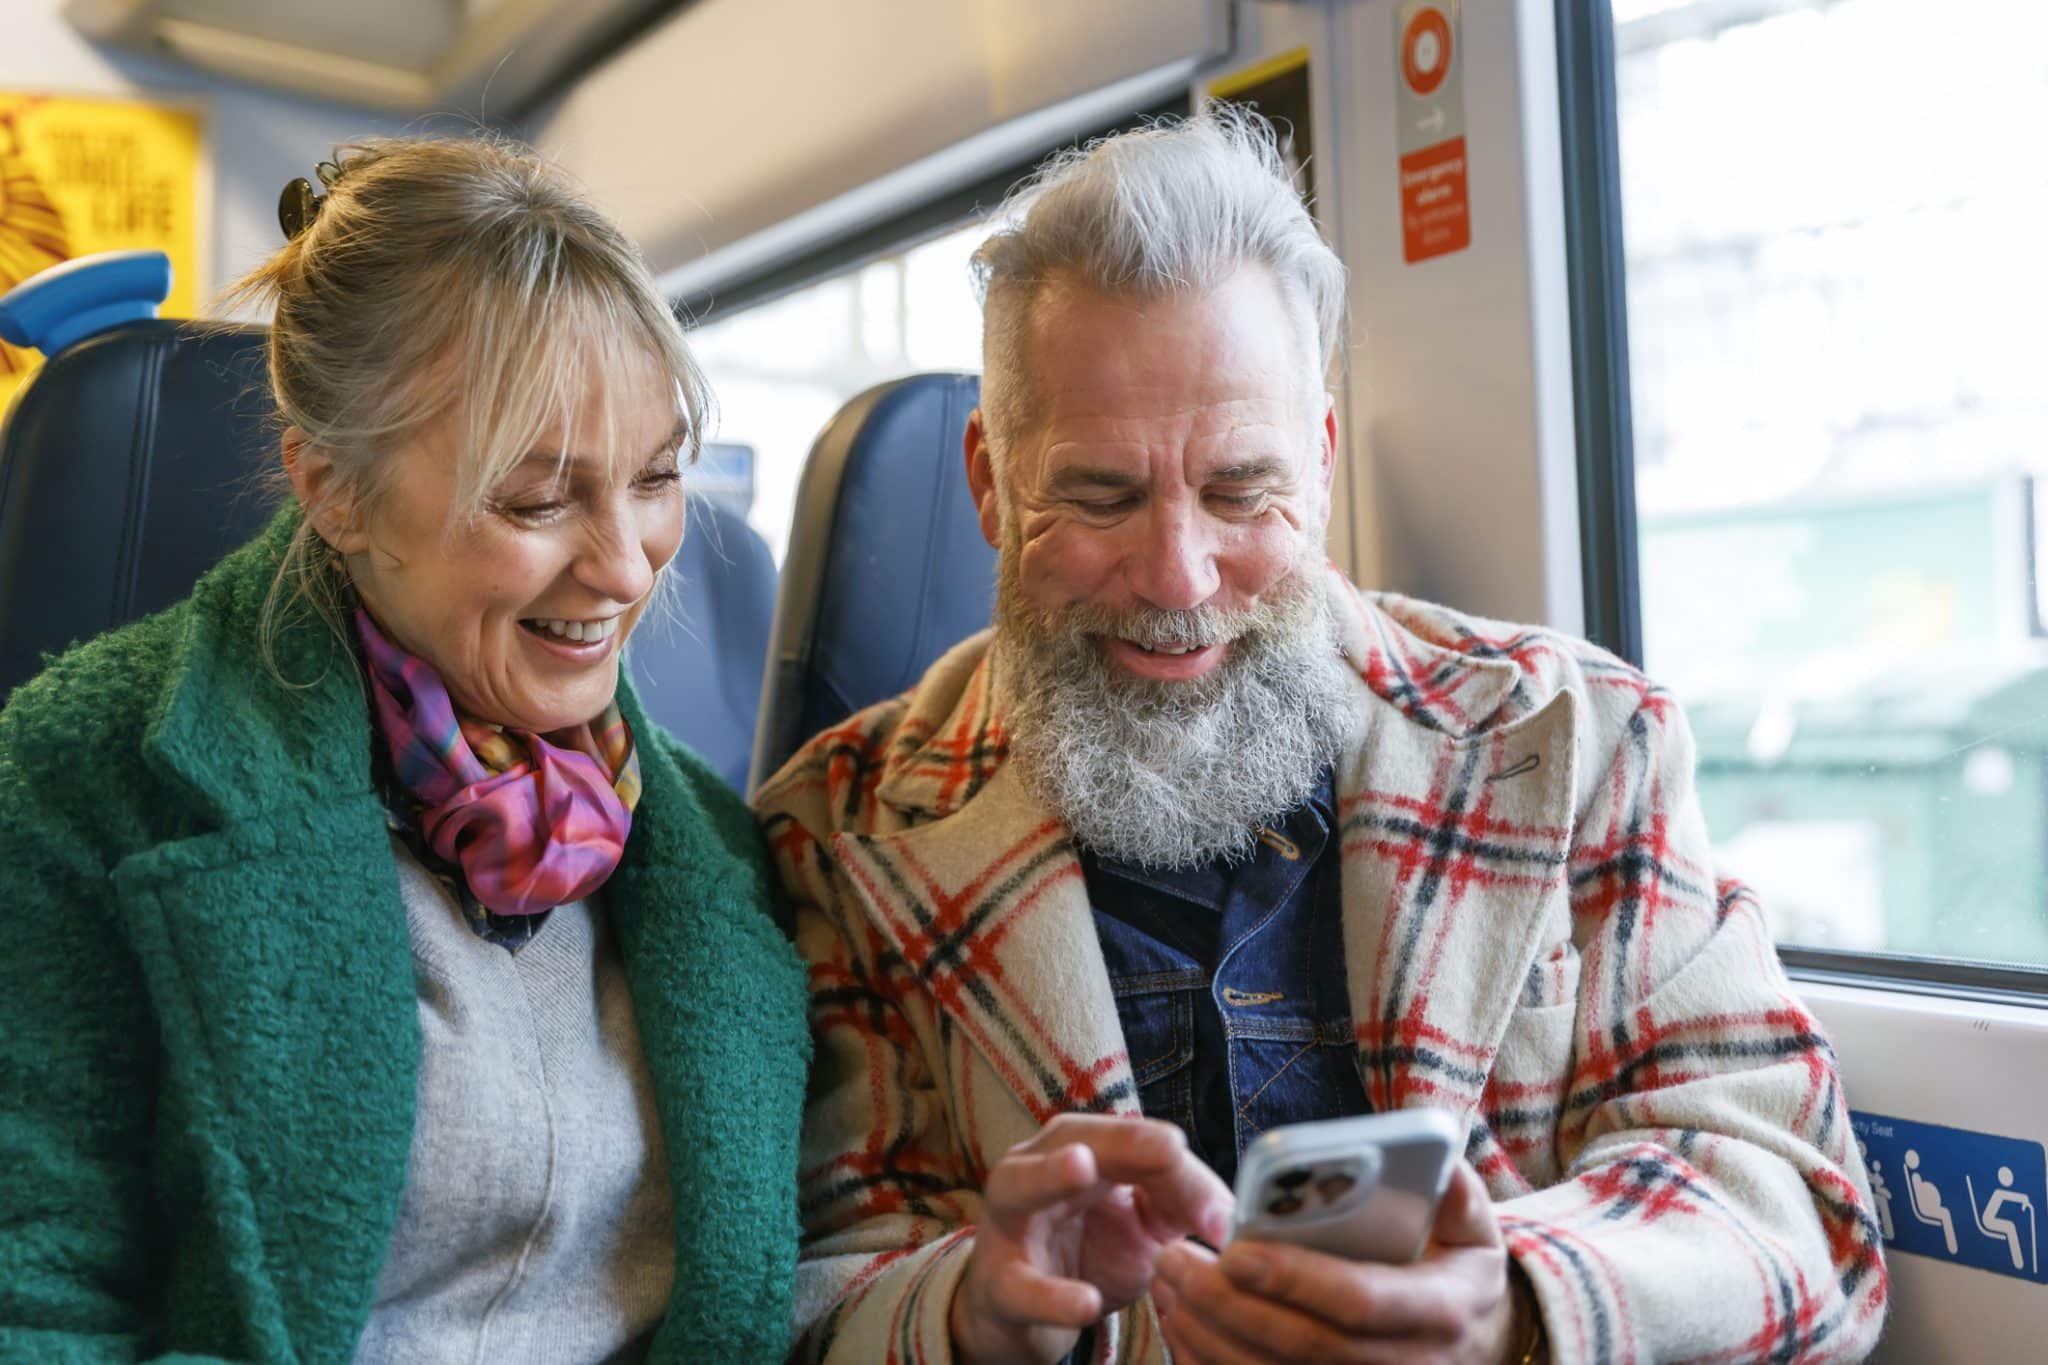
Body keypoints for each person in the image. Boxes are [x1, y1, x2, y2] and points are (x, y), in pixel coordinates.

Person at [757, 111, 1888, 1364]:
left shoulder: (1576, 742)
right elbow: (793, 1293)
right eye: (1099, 496)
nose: (1179, 577)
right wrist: (970, 1314)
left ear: (1322, 462)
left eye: (1241, 491)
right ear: (987, 480)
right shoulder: (832, 835)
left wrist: (1511, 1308)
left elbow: (1796, 1210)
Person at [0, 136, 809, 1362]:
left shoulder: (717, 847)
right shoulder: (83, 778)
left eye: (655, 480)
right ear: (335, 490)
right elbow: (33, 1302)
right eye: (538, 499)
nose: (624, 565)